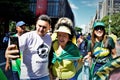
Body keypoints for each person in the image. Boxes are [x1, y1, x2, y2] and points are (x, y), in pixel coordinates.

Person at [5, 14, 52, 80]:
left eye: (44, 27)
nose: (41, 29)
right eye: (39, 26)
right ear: (36, 24)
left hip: (44, 76)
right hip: (28, 77)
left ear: (49, 27)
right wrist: (9, 53)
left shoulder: (49, 38)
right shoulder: (26, 37)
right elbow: (14, 49)